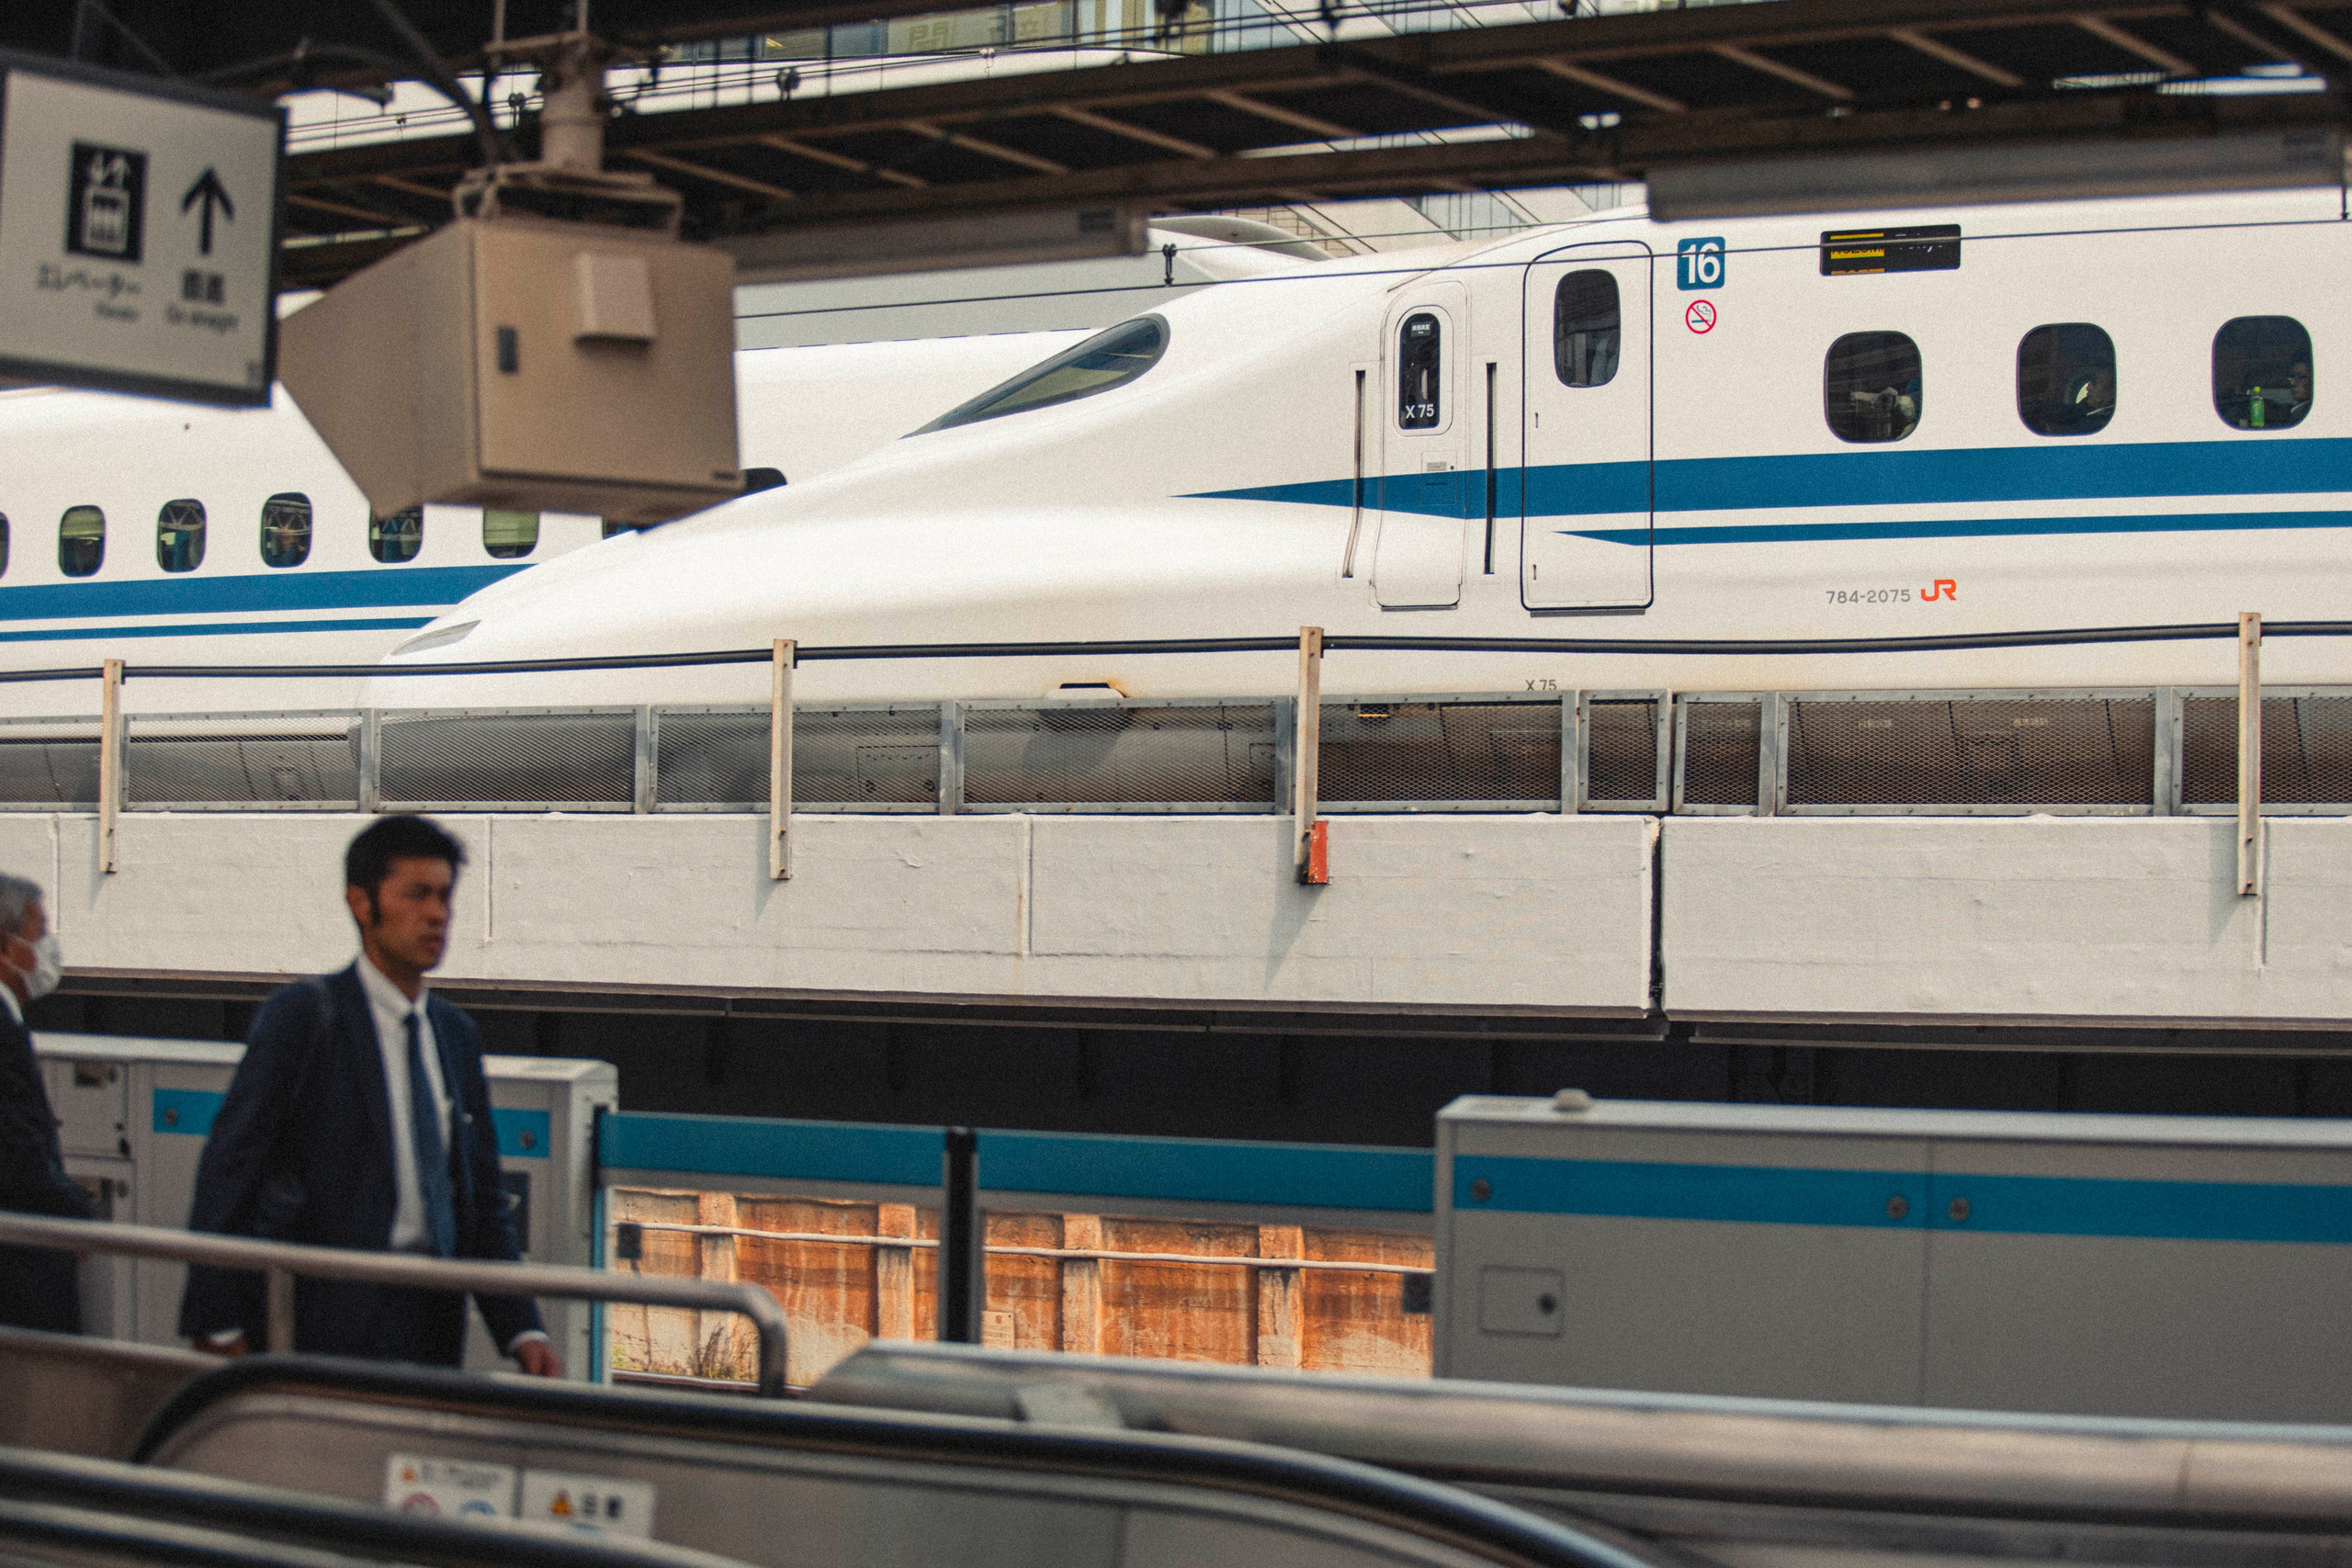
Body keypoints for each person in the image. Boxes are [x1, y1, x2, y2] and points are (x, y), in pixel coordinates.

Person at [178, 817, 561, 1374]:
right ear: (362, 904)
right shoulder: (305, 1018)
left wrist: (522, 1327)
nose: (438, 913)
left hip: (432, 1320)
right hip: (320, 1319)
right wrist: (216, 1321)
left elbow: (478, 1196)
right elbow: (230, 1169)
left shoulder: (454, 1035)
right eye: (416, 894)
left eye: (445, 895)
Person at [0, 874, 93, 1334]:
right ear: (5, 946)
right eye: (40, 930)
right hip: (19, 1272)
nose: (48, 946)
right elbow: (17, 1146)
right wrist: (76, 1211)